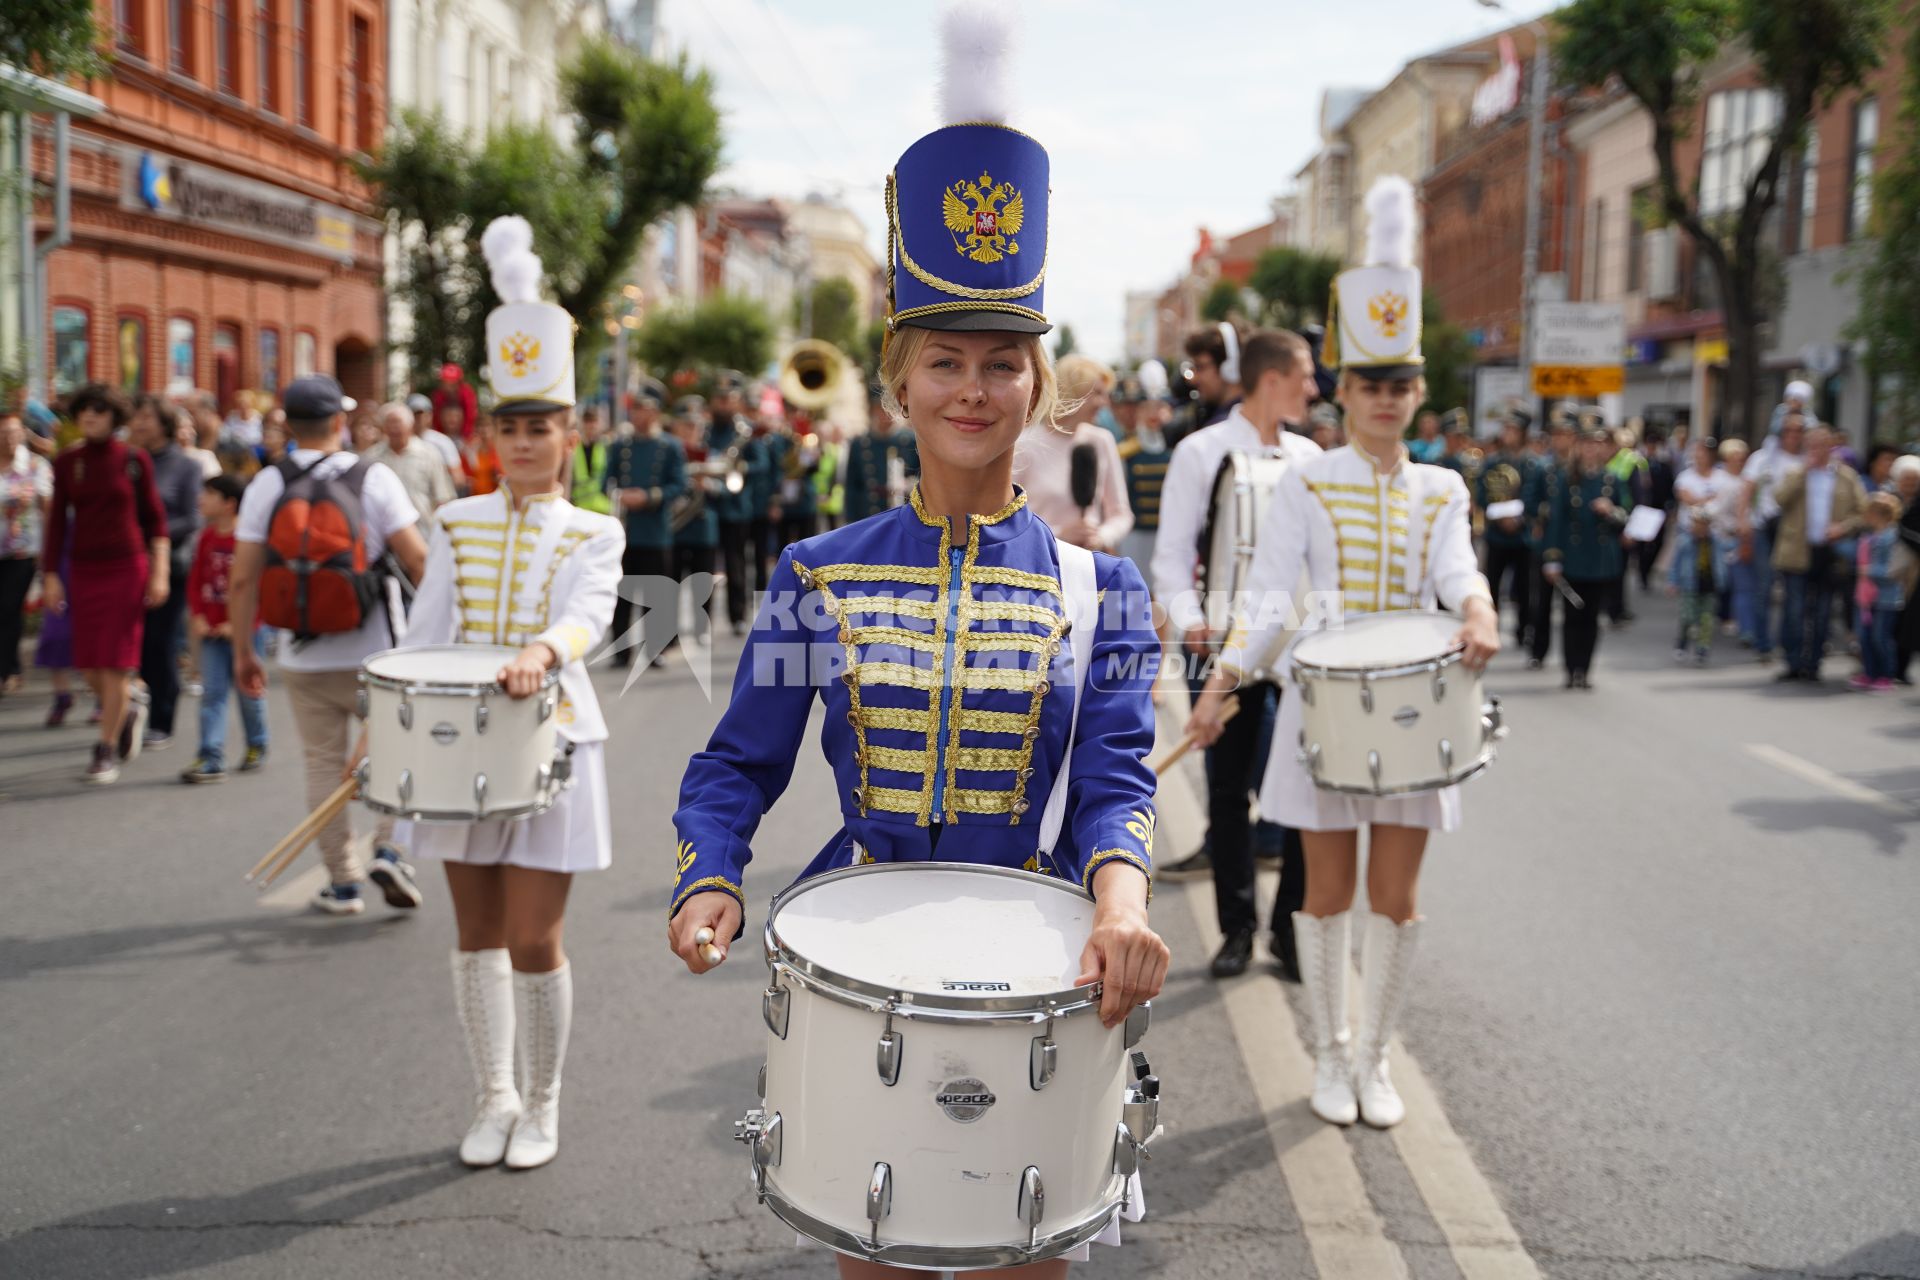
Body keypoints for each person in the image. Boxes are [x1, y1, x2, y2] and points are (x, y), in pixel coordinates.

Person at [668, 28, 1167, 1272]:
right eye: (945, 359)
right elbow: (739, 763)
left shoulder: (1103, 593)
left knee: (1029, 1253)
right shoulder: (815, 575)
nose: (974, 388)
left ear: (1037, 388)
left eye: (1004, 363)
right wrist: (711, 871)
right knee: (876, 1249)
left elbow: (1117, 778)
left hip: (1046, 967)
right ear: (900, 383)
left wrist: (1122, 901)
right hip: (863, 958)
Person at [1187, 176, 1500, 1131]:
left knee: (1396, 900)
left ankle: (1375, 1060)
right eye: (1369, 384)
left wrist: (1481, 614)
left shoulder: (1445, 487)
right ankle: (1328, 1053)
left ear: (1416, 392)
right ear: (1347, 391)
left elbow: (1459, 572)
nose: (1385, 400)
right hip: (1324, 706)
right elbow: (1270, 595)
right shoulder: (1306, 483)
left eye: (1400, 385)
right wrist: (1224, 683)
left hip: (1416, 710)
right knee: (1323, 894)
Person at [389, 217, 624, 1171]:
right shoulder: (453, 521)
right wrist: (384, 727)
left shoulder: (594, 531)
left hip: (551, 741)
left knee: (535, 938)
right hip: (452, 746)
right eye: (513, 428)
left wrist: (541, 649)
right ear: (493, 436)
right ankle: (492, 1095)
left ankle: (545, 1105)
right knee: (474, 935)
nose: (527, 443)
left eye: (544, 427)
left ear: (570, 433)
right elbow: (423, 634)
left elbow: (591, 616)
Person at [1148, 329, 1323, 978]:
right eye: (1304, 375)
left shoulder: (1310, 457)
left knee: (1305, 787)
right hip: (1222, 642)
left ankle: (1288, 927)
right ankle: (1237, 928)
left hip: (1300, 646)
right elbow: (1171, 555)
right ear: (1270, 377)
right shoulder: (1201, 451)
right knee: (1226, 791)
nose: (1313, 387)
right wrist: (1194, 627)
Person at [230, 374, 429, 915]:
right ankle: (390, 846)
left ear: (289, 426)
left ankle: (342, 882)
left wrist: (243, 651)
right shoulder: (375, 478)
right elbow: (417, 560)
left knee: (322, 764)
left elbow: (244, 578)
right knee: (397, 752)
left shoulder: (267, 484)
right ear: (340, 422)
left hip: (301, 654)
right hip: (378, 654)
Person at [41, 385, 170, 783]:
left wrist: (159, 571)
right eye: (83, 412)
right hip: (82, 569)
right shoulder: (67, 462)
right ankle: (128, 706)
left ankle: (105, 749)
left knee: (115, 662)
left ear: (114, 417)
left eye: (98, 411)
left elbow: (156, 522)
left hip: (126, 567)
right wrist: (49, 576)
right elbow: (57, 523)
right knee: (88, 662)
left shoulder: (134, 460)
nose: (90, 418)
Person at [179, 475, 269, 781]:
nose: (201, 499)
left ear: (229, 503)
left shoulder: (248, 539)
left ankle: (257, 743)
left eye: (209, 494)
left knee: (249, 692)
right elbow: (196, 582)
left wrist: (242, 623)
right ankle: (210, 755)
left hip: (244, 632)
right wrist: (199, 614)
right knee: (212, 693)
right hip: (211, 632)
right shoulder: (206, 537)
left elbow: (261, 586)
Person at [128, 393, 204, 750]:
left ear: (165, 423)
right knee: (131, 642)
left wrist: (150, 535)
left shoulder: (186, 465)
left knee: (159, 642)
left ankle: (162, 716)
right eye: (136, 417)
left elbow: (191, 518)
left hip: (169, 566)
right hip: (124, 564)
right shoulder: (127, 461)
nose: (140, 423)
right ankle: (128, 706)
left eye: (147, 417)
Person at [1770, 424, 1865, 683]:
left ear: (1832, 447)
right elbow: (1779, 498)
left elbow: (1863, 512)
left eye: (1824, 445)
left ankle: (1813, 664)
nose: (1818, 451)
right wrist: (1803, 472)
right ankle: (1793, 662)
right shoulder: (1795, 471)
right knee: (1794, 609)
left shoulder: (1846, 476)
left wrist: (1842, 527)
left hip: (1830, 553)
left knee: (1822, 611)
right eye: (1813, 445)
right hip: (1797, 551)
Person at [1012, 354, 1133, 552]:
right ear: (1074, 393)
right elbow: (1007, 519)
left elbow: (1121, 515)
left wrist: (1101, 536)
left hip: (1087, 564)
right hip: (1039, 562)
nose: (1104, 403)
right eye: (1097, 394)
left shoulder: (1101, 440)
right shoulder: (1024, 443)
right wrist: (1057, 535)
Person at [1542, 427, 1633, 689]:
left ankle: (1585, 670)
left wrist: (1611, 511)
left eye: (1598, 444)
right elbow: (1556, 520)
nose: (1593, 449)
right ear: (1579, 447)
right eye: (1588, 443)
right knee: (1572, 617)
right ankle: (1571, 670)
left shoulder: (1611, 480)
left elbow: (1626, 514)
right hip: (1573, 557)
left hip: (1601, 558)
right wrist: (1552, 558)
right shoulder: (1567, 479)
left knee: (1593, 617)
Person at [604, 391, 687, 668]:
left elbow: (679, 484)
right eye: (635, 409)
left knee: (656, 593)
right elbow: (607, 480)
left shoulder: (670, 446)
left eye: (644, 409)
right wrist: (620, 495)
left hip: (655, 530)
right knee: (623, 592)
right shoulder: (620, 446)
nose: (638, 415)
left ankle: (655, 649)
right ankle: (620, 650)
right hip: (627, 529)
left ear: (655, 412)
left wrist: (650, 496)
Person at [1, 408, 52, 696]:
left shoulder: (36, 466)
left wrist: (49, 550)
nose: (9, 439)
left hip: (22, 551)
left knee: (8, 608)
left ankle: (8, 670)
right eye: (3, 433)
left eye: (14, 433)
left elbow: (48, 510)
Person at [1475, 413, 1536, 648]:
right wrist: (1500, 516)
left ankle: (1523, 631)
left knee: (1524, 588)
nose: (1507, 434)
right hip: (1497, 534)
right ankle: (1491, 627)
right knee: (1492, 585)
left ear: (1522, 432)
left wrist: (1519, 518)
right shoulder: (1492, 462)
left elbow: (1533, 495)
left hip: (1522, 536)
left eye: (1512, 429)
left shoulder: (1532, 463)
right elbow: (1482, 493)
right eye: (1505, 429)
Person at [1669, 438, 1731, 666]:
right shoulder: (1685, 476)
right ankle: (1682, 641)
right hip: (1689, 579)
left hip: (1709, 581)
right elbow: (1686, 498)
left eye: (1704, 452)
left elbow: (1723, 501)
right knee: (1687, 615)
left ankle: (1703, 649)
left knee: (1706, 617)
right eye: (1697, 452)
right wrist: (1673, 580)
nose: (1700, 456)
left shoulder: (1716, 541)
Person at [1526, 412, 1579, 669]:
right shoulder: (1543, 468)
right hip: (1547, 539)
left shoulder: (1580, 468)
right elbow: (1530, 500)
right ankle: (1539, 649)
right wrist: (1541, 512)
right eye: (1556, 435)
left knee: (1573, 602)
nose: (1561, 440)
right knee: (1542, 601)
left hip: (1575, 541)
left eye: (1565, 434)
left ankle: (1574, 658)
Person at [669, 410, 721, 646]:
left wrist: (709, 484)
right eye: (686, 426)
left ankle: (702, 627)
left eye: (696, 427)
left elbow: (728, 486)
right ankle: (670, 633)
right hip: (676, 527)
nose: (691, 431)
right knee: (671, 583)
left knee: (703, 583)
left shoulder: (711, 454)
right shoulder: (670, 452)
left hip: (702, 527)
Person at [363, 401, 457, 527]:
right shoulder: (372, 457)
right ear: (383, 427)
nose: (394, 427)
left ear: (410, 426)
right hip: (384, 533)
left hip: (422, 530)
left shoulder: (429, 454)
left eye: (398, 422)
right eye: (389, 422)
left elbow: (443, 497)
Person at [1115, 380, 1171, 583]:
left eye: (1159, 406)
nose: (1153, 414)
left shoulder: (1174, 449)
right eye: (1147, 407)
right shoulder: (1126, 453)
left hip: (1164, 535)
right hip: (1135, 535)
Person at [839, 391, 921, 526]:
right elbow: (852, 485)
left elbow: (923, 476)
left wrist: (909, 484)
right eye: (880, 410)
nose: (884, 415)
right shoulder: (859, 444)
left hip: (905, 514)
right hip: (869, 514)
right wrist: (850, 519)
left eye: (889, 410)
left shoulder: (911, 441)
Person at [1852, 492, 1905, 691]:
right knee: (1865, 636)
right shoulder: (1869, 537)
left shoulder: (1893, 538)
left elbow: (1894, 569)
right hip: (1867, 597)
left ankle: (1887, 674)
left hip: (1887, 597)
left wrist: (1869, 570)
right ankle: (1870, 672)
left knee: (1880, 637)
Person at [1890, 455, 1920, 683]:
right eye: (1906, 479)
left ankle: (1900, 667)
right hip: (1887, 571)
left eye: (1914, 479)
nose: (1910, 483)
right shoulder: (1887, 500)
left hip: (1914, 571)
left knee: (1908, 620)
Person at [569, 406, 612, 515]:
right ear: (582, 423)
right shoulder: (574, 447)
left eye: (594, 421)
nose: (591, 425)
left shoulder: (607, 446)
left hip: (602, 509)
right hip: (579, 508)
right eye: (588, 421)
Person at [432, 363, 478, 441]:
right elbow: (436, 418)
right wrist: (439, 436)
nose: (448, 386)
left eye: (451, 383)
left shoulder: (467, 394)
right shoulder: (439, 395)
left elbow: (471, 416)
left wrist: (466, 436)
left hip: (464, 435)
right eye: (445, 382)